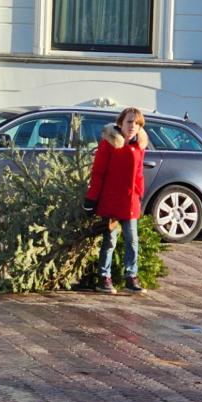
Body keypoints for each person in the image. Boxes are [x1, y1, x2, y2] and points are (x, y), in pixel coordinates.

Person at [84, 107, 148, 294]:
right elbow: (98, 173)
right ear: (120, 123)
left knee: (132, 240)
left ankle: (131, 276)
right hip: (111, 201)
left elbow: (139, 175)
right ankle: (104, 277)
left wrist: (139, 195)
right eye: (129, 122)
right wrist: (91, 199)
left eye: (137, 123)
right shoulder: (109, 144)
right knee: (110, 240)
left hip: (130, 201)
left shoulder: (139, 146)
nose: (133, 126)